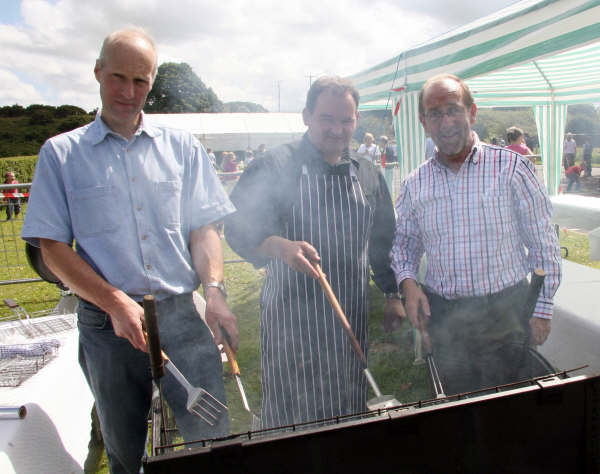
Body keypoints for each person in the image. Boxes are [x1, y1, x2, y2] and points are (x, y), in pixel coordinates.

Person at [21, 27, 239, 474]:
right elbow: (53, 248)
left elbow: (203, 228)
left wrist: (214, 290)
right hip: (107, 325)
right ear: (98, 73)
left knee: (214, 441)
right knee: (124, 451)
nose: (128, 91)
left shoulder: (183, 148)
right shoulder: (61, 154)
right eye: (118, 77)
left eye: (141, 81)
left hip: (181, 315)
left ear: (152, 82)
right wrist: (114, 300)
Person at [225, 76, 405, 429]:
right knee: (292, 423)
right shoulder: (275, 166)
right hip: (291, 323)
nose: (337, 130)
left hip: (349, 315)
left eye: (346, 121)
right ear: (307, 116)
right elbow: (237, 227)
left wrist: (391, 292)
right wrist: (278, 246)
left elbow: (384, 240)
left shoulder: (367, 173)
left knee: (345, 412)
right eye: (327, 119)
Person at [391, 73, 561, 396]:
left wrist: (541, 310)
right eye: (435, 114)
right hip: (445, 318)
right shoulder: (415, 184)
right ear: (423, 122)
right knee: (457, 411)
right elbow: (403, 247)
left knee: (512, 411)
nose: (446, 122)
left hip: (505, 313)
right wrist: (409, 284)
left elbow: (544, 247)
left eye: (454, 109)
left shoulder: (512, 169)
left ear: (472, 112)